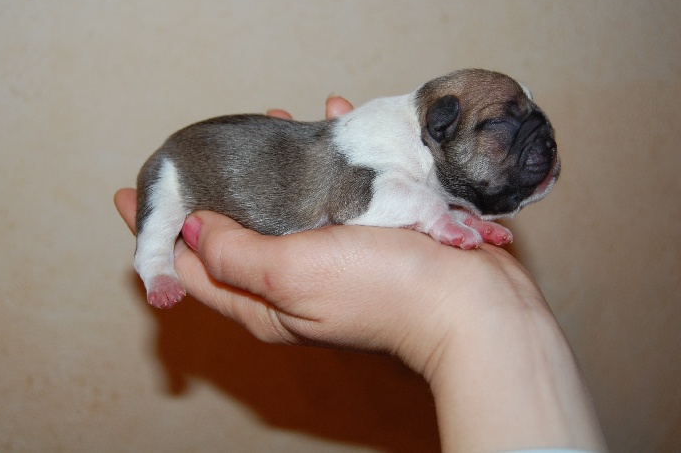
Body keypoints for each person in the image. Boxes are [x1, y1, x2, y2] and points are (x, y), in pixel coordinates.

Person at [114, 96, 606, 452]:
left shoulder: (397, 140)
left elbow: (415, 193)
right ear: (440, 126)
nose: (539, 143)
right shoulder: (370, 146)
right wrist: (435, 219)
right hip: (183, 165)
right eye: (506, 128)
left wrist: (455, 220)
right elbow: (361, 202)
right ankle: (154, 264)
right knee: (160, 214)